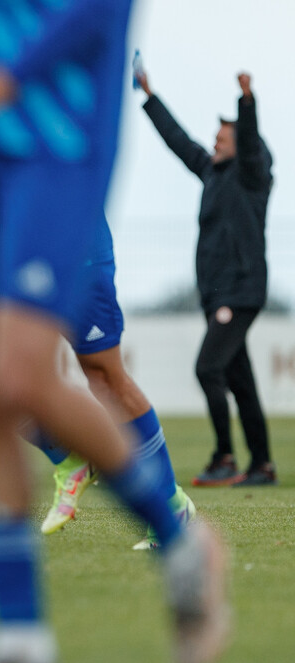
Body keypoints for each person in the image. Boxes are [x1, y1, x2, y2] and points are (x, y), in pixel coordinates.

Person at [0, 0, 229, 663]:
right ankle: (20, 648)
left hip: (55, 148)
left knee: (19, 374)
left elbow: (89, 17)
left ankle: (183, 543)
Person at [136, 68, 276, 487]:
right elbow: (178, 141)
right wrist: (150, 96)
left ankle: (225, 458)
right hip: (218, 295)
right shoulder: (212, 174)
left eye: (222, 138)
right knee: (240, 381)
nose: (214, 142)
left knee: (207, 368)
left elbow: (249, 143)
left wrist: (246, 103)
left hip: (240, 292)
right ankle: (262, 466)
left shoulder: (251, 176)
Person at [34, 215, 195, 551]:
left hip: (75, 240)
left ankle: (170, 507)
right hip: (9, 243)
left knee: (104, 376)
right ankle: (70, 456)